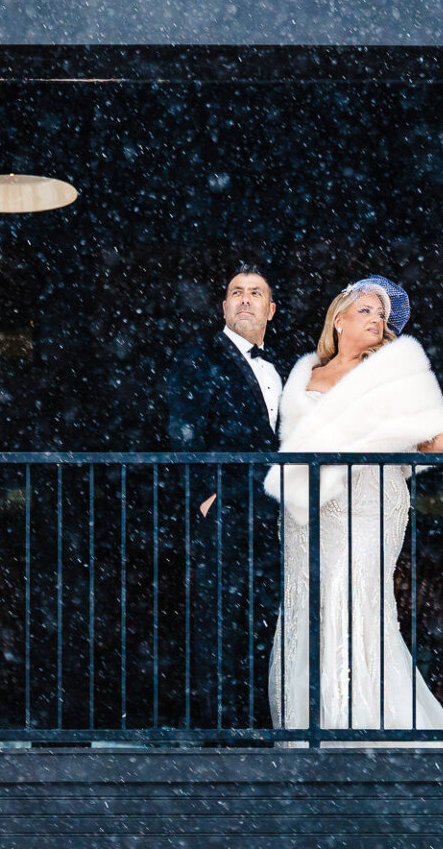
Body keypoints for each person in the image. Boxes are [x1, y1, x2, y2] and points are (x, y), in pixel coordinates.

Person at [264, 276, 443, 744]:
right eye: (367, 310)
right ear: (340, 317)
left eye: (382, 316)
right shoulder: (303, 373)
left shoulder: (387, 373)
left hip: (370, 500)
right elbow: (286, 441)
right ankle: (311, 721)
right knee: (309, 601)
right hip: (310, 509)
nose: (376, 320)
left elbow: (423, 429)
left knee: (357, 601)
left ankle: (360, 719)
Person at [163, 268, 285, 731]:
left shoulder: (278, 370)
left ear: (271, 310)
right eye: (236, 293)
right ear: (224, 307)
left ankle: (258, 730)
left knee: (264, 626)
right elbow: (183, 429)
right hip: (228, 510)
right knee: (221, 626)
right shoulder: (199, 356)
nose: (246, 300)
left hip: (272, 514)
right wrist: (204, 497)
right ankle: (223, 738)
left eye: (256, 294)